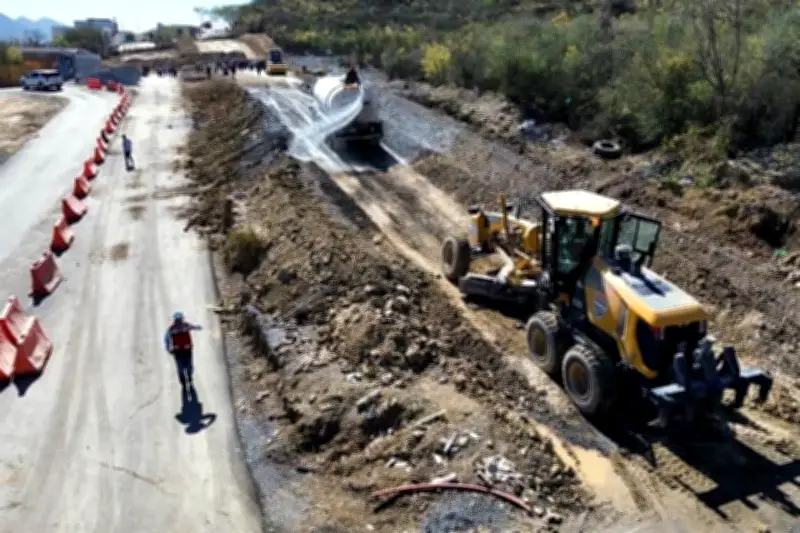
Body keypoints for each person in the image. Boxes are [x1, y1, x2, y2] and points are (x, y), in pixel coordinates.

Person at [164, 312, 203, 390]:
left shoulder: (186, 326)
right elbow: (166, 339)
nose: (179, 322)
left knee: (189, 367)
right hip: (178, 352)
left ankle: (189, 379)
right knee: (180, 368)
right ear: (175, 320)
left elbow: (194, 327)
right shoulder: (171, 329)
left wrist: (199, 327)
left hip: (188, 350)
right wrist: (169, 349)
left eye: (180, 320)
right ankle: (183, 383)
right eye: (177, 320)